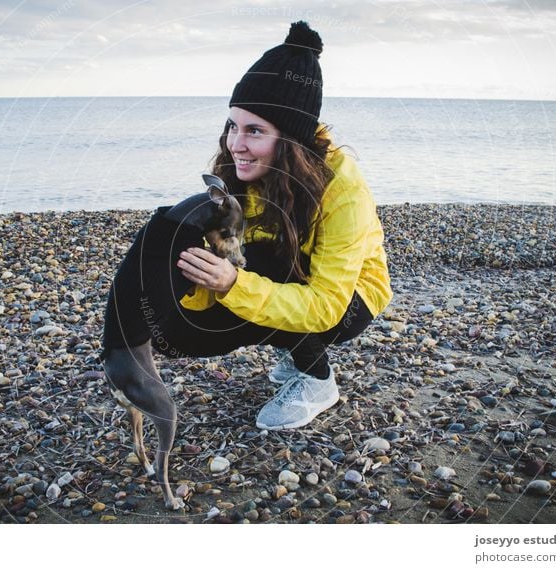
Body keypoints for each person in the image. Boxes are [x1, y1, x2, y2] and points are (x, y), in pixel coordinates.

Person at [102, 21, 392, 431]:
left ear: (290, 139)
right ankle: (287, 345)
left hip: (349, 298)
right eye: (233, 125)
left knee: (273, 268)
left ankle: (317, 378)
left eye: (254, 130)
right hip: (279, 271)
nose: (235, 142)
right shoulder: (242, 168)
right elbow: (234, 252)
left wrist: (233, 286)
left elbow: (327, 305)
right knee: (193, 310)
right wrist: (187, 290)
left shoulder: (342, 187)